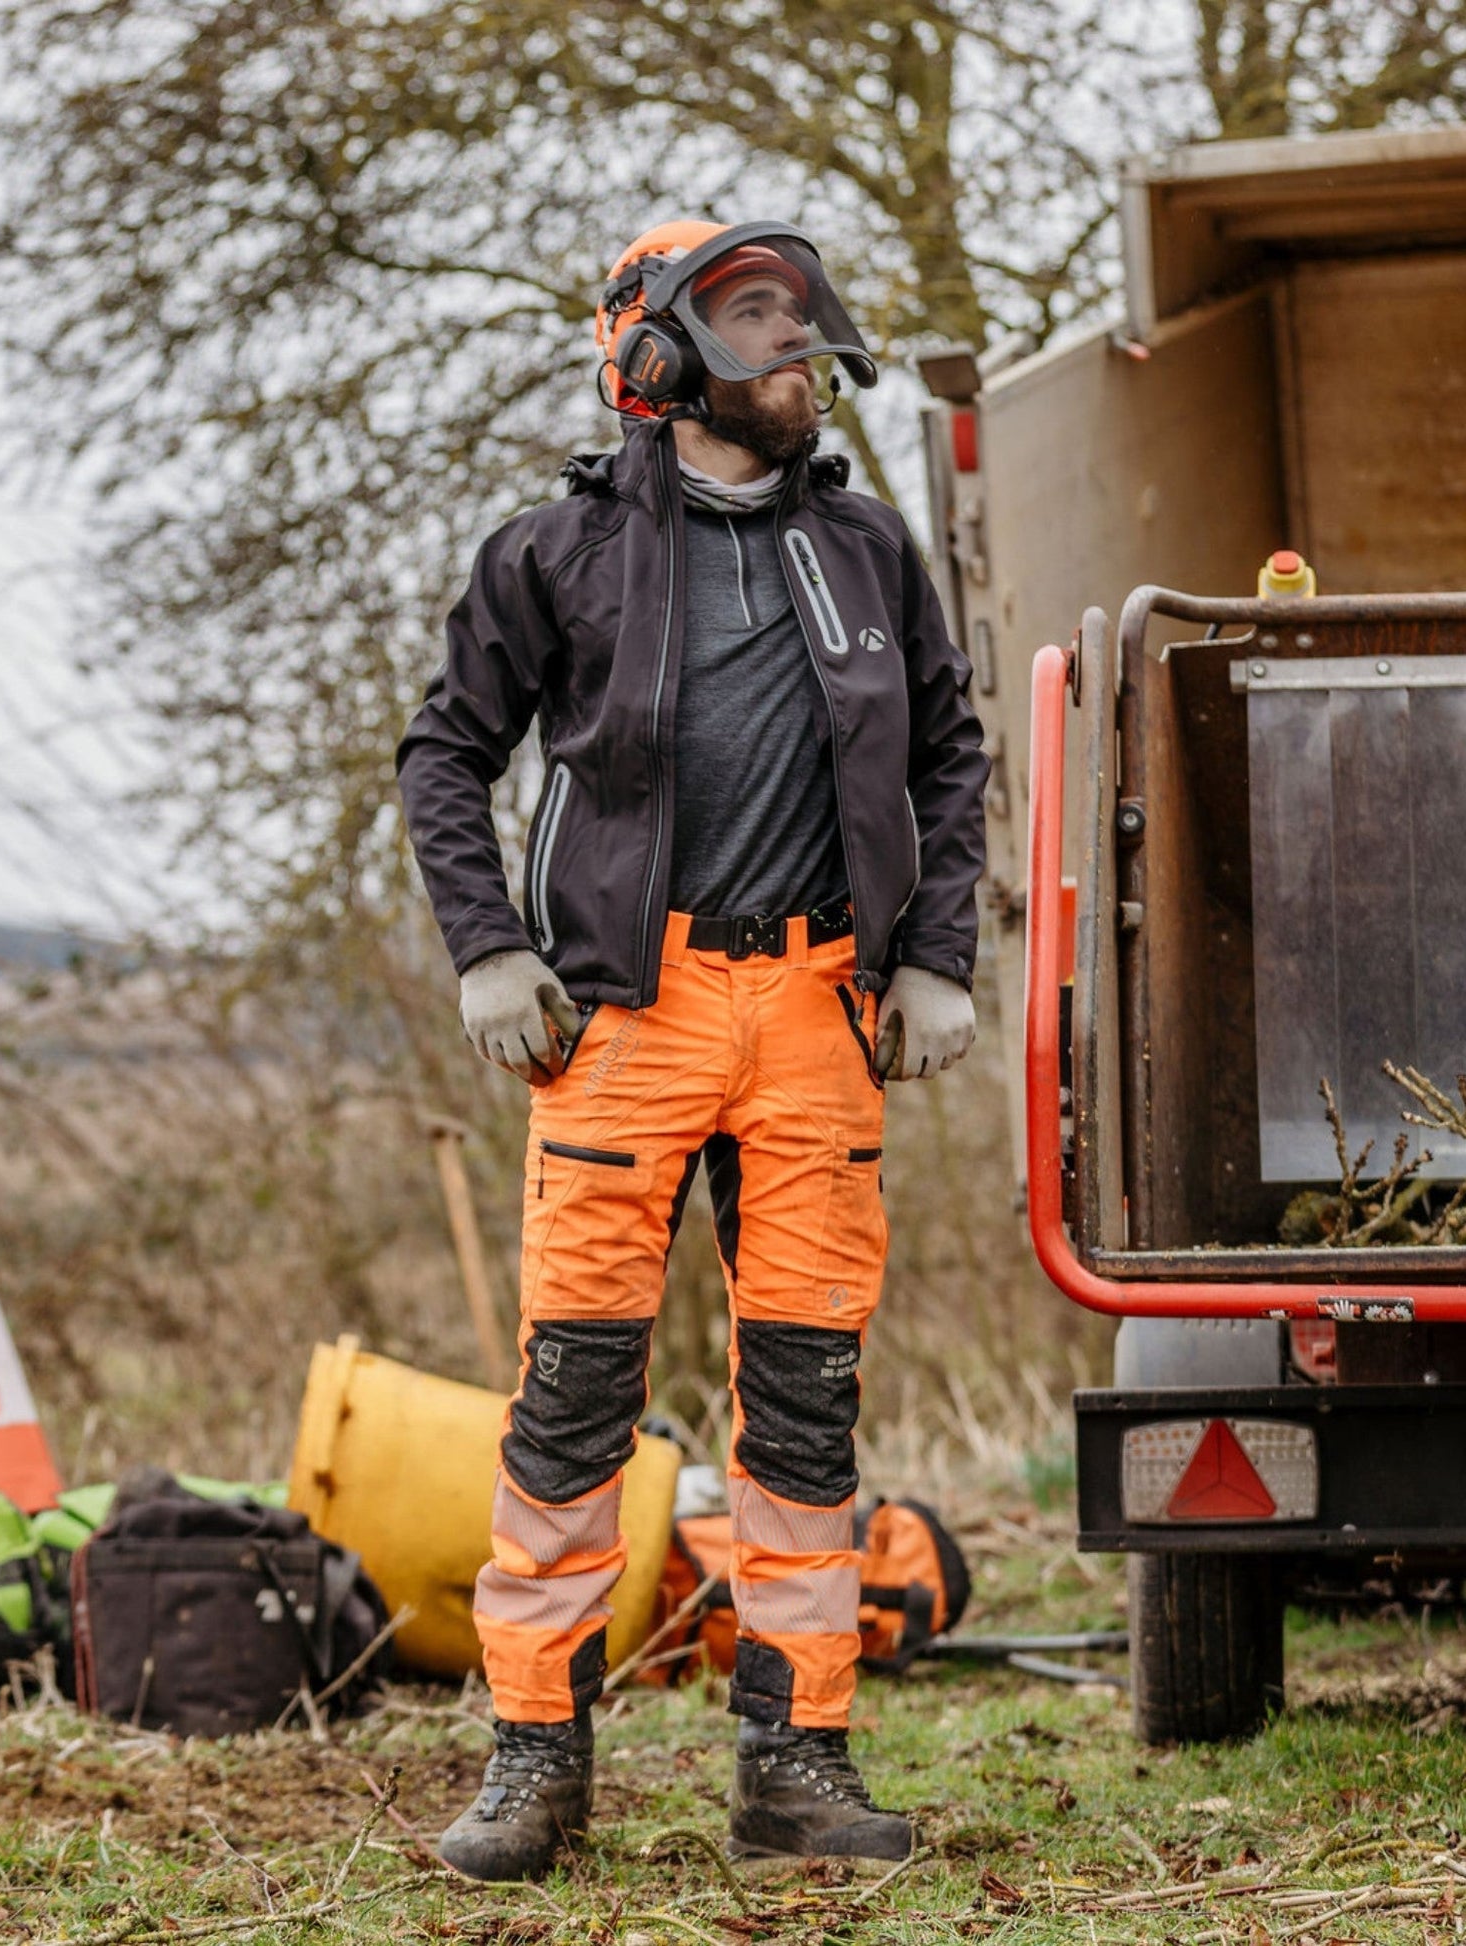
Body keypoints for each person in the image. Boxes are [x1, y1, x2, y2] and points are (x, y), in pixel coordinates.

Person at [396, 219, 990, 1881]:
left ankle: (795, 1762)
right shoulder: (555, 554)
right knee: (573, 1396)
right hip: (623, 1017)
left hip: (815, 1017)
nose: (797, 360)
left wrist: (934, 953)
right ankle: (534, 1760)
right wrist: (490, 948)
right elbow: (446, 752)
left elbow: (950, 756)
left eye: (800, 333)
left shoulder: (866, 549)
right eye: (759, 333)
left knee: (804, 1407)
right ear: (660, 362)